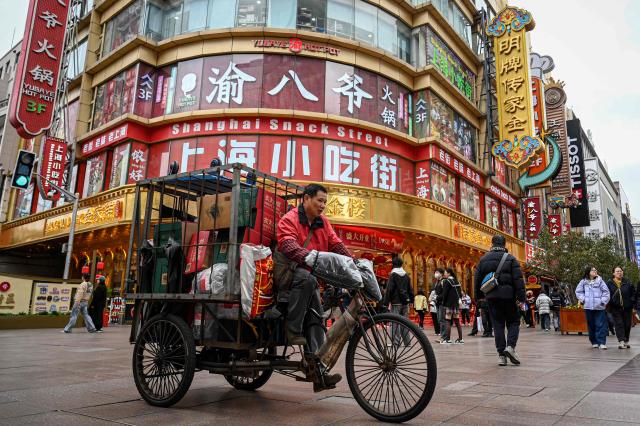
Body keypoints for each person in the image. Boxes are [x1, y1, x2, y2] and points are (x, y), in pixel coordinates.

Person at [277, 183, 350, 390]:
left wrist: (353, 262)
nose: (323, 205)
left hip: (307, 280)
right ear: (306, 199)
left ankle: (319, 373)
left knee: (317, 318)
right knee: (308, 280)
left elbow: (336, 245)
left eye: (325, 202)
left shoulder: (323, 223)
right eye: (319, 200)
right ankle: (293, 328)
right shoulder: (289, 219)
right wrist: (308, 257)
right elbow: (288, 245)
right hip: (287, 276)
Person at [474, 235, 525, 366]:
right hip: (509, 297)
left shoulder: (483, 259)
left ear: (492, 243)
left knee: (498, 325)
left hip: (491, 297)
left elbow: (477, 279)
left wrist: (478, 297)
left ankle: (501, 356)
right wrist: (521, 298)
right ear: (504, 244)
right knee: (513, 322)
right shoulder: (511, 259)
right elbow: (518, 280)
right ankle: (510, 347)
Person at [575, 265, 610, 349]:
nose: (595, 271)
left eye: (595, 270)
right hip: (588, 307)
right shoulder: (583, 282)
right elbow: (578, 291)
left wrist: (602, 301)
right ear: (588, 272)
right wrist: (584, 299)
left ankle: (601, 342)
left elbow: (606, 292)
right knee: (591, 325)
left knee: (600, 324)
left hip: (599, 307)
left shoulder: (600, 281)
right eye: (593, 270)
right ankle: (594, 341)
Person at [383, 257, 413, 345]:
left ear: (393, 264)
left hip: (396, 302)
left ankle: (396, 342)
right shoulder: (406, 275)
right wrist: (411, 300)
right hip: (405, 302)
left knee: (395, 322)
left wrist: (385, 302)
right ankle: (407, 342)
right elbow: (410, 289)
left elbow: (389, 289)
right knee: (405, 322)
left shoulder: (393, 274)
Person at [606, 266, 635, 349]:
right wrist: (611, 302)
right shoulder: (609, 283)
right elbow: (607, 294)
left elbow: (633, 293)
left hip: (627, 307)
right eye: (617, 271)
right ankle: (621, 341)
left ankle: (626, 341)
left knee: (627, 324)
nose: (619, 272)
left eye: (620, 271)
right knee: (619, 324)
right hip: (615, 308)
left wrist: (631, 301)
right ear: (613, 273)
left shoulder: (628, 282)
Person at [441, 268, 464, 344]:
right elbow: (460, 294)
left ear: (449, 273)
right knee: (457, 321)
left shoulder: (446, 281)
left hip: (449, 304)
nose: (444, 274)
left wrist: (443, 303)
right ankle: (460, 339)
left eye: (445, 273)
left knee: (448, 320)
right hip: (456, 304)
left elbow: (445, 294)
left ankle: (447, 339)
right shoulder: (457, 281)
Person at [433, 268, 447, 342]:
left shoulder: (443, 281)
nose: (436, 274)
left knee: (442, 320)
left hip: (442, 303)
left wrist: (437, 297)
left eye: (437, 272)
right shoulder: (437, 282)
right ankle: (442, 336)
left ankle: (444, 337)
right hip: (438, 302)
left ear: (441, 273)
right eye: (435, 272)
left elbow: (445, 293)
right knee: (439, 320)